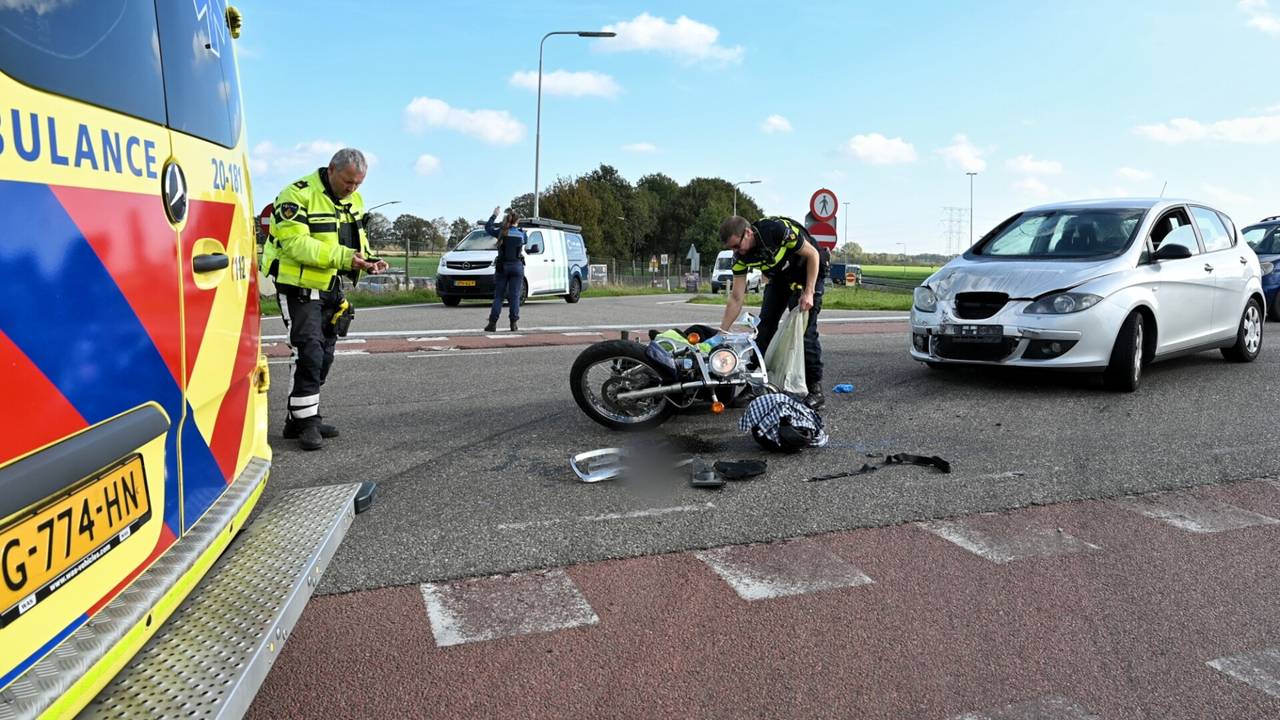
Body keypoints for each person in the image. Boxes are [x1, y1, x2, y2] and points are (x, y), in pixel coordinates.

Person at [261, 148, 387, 450]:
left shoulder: (354, 200)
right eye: (348, 182)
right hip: (298, 288)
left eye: (358, 184)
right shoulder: (295, 195)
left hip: (330, 286)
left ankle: (301, 417)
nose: (352, 189)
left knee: (325, 355)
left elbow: (357, 238)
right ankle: (306, 423)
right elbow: (295, 245)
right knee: (309, 353)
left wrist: (369, 259)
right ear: (331, 170)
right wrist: (345, 257)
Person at [718, 215, 828, 410]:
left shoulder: (776, 231)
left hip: (809, 270)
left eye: (737, 246)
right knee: (764, 326)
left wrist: (809, 292)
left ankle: (815, 391)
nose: (736, 252)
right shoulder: (740, 257)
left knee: (805, 332)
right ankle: (755, 385)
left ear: (748, 233)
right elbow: (736, 298)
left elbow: (812, 255)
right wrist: (722, 333)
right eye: (731, 249)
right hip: (781, 277)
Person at [483, 206, 527, 332]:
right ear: (517, 221)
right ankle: (513, 324)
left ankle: (492, 324)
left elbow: (487, 228)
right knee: (514, 296)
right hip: (517, 267)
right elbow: (524, 241)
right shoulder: (521, 234)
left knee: (499, 296)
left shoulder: (501, 232)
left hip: (502, 266)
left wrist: (494, 215)